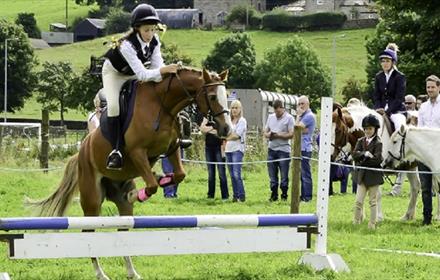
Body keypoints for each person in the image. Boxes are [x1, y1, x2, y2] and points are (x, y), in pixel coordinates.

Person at [102, 3, 180, 170]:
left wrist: (167, 73)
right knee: (114, 107)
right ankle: (116, 150)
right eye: (146, 30)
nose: (150, 34)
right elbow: (144, 74)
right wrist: (164, 70)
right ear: (137, 29)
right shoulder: (126, 45)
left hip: (134, 73)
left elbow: (156, 66)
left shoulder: (155, 41)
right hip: (114, 74)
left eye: (153, 29)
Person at [352, 114, 384, 230]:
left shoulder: (378, 143)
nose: (367, 131)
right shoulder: (360, 141)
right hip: (362, 175)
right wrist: (364, 155)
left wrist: (363, 160)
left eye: (370, 129)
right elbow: (354, 154)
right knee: (358, 201)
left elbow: (377, 159)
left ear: (375, 129)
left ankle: (372, 224)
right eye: (365, 129)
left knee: (373, 201)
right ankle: (355, 222)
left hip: (373, 176)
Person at [417, 75, 440, 225]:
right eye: (428, 87)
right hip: (425, 152)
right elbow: (420, 129)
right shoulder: (423, 107)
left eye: (432, 87)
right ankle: (427, 218)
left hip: (439, 150)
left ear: (439, 87)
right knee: (425, 187)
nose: (430, 90)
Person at [264, 99, 294, 201]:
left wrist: (278, 134)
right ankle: (274, 193)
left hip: (284, 150)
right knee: (272, 174)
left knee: (284, 174)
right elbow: (265, 132)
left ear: (283, 108)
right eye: (275, 111)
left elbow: (291, 134)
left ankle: (284, 194)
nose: (277, 114)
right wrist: (270, 135)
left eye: (279, 112)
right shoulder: (271, 117)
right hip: (272, 149)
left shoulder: (289, 118)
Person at [388, 94, 418, 196]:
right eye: (405, 103)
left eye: (409, 103)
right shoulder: (402, 115)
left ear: (414, 103)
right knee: (406, 167)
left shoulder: (417, 114)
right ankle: (397, 190)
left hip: (418, 148)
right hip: (408, 149)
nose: (407, 105)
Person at [373, 43, 406, 132]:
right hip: (380, 110)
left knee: (400, 126)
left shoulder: (399, 77)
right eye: (383, 61)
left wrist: (387, 112)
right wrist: (378, 108)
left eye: (387, 61)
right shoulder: (378, 76)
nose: (385, 64)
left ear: (393, 62)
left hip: (396, 111)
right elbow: (376, 96)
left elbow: (399, 98)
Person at [200, 117, 229, 200]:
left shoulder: (220, 116)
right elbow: (202, 129)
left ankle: (225, 196)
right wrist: (213, 128)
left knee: (221, 173)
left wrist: (208, 129)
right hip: (208, 147)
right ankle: (210, 195)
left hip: (219, 147)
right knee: (211, 174)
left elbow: (221, 131)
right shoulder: (207, 117)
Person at [225, 100, 247, 202]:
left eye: (236, 108)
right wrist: (227, 137)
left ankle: (241, 196)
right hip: (228, 149)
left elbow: (237, 135)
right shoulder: (228, 121)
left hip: (237, 150)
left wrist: (225, 137)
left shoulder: (242, 121)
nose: (234, 110)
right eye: (232, 108)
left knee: (236, 174)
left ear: (240, 109)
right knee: (232, 174)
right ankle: (235, 195)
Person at [296, 96, 316, 202]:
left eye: (302, 104)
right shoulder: (304, 116)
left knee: (305, 173)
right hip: (299, 147)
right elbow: (297, 129)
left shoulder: (308, 116)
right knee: (300, 173)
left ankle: (307, 197)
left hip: (305, 148)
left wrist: (298, 116)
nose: (300, 106)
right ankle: (303, 196)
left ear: (308, 104)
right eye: (299, 104)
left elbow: (296, 128)